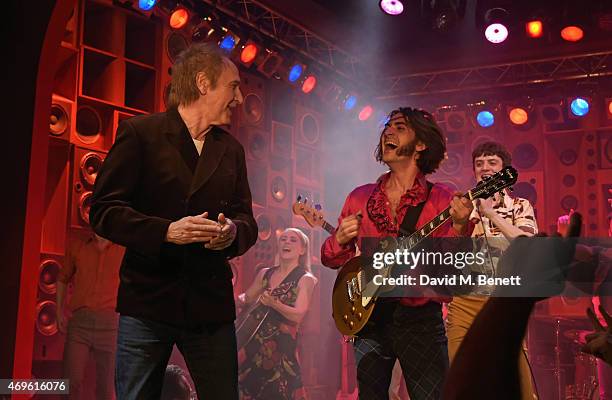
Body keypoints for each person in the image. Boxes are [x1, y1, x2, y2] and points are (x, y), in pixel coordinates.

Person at [89, 43, 258, 399]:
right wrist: (166, 231)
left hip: (209, 304)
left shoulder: (231, 151)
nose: (240, 98)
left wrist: (232, 233)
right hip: (148, 299)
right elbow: (103, 210)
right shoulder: (141, 134)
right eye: (233, 86)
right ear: (202, 83)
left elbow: (247, 220)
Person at [321, 107, 474, 400]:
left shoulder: (442, 198)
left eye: (400, 127)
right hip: (370, 318)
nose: (388, 132)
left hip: (419, 318)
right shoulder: (360, 197)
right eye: (387, 127)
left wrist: (458, 226)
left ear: (421, 144)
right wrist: (339, 239)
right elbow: (331, 259)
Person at [445, 141, 538, 400]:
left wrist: (491, 214)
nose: (484, 167)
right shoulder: (462, 207)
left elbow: (528, 245)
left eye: (492, 162)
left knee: (517, 384)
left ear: (504, 169)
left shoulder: (520, 205)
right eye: (479, 163)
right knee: (460, 379)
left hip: (504, 301)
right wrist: (461, 223)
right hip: (464, 302)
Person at [237, 228, 317, 400]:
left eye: (293, 240)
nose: (286, 242)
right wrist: (238, 299)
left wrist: (275, 304)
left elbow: (298, 315)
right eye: (283, 239)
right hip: (254, 350)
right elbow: (248, 297)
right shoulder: (265, 273)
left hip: (281, 354)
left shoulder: (305, 279)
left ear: (302, 250)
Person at [57, 231, 124, 399]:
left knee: (107, 388)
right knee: (70, 382)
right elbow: (62, 278)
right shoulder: (77, 245)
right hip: (80, 324)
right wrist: (59, 311)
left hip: (111, 325)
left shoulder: (124, 249)